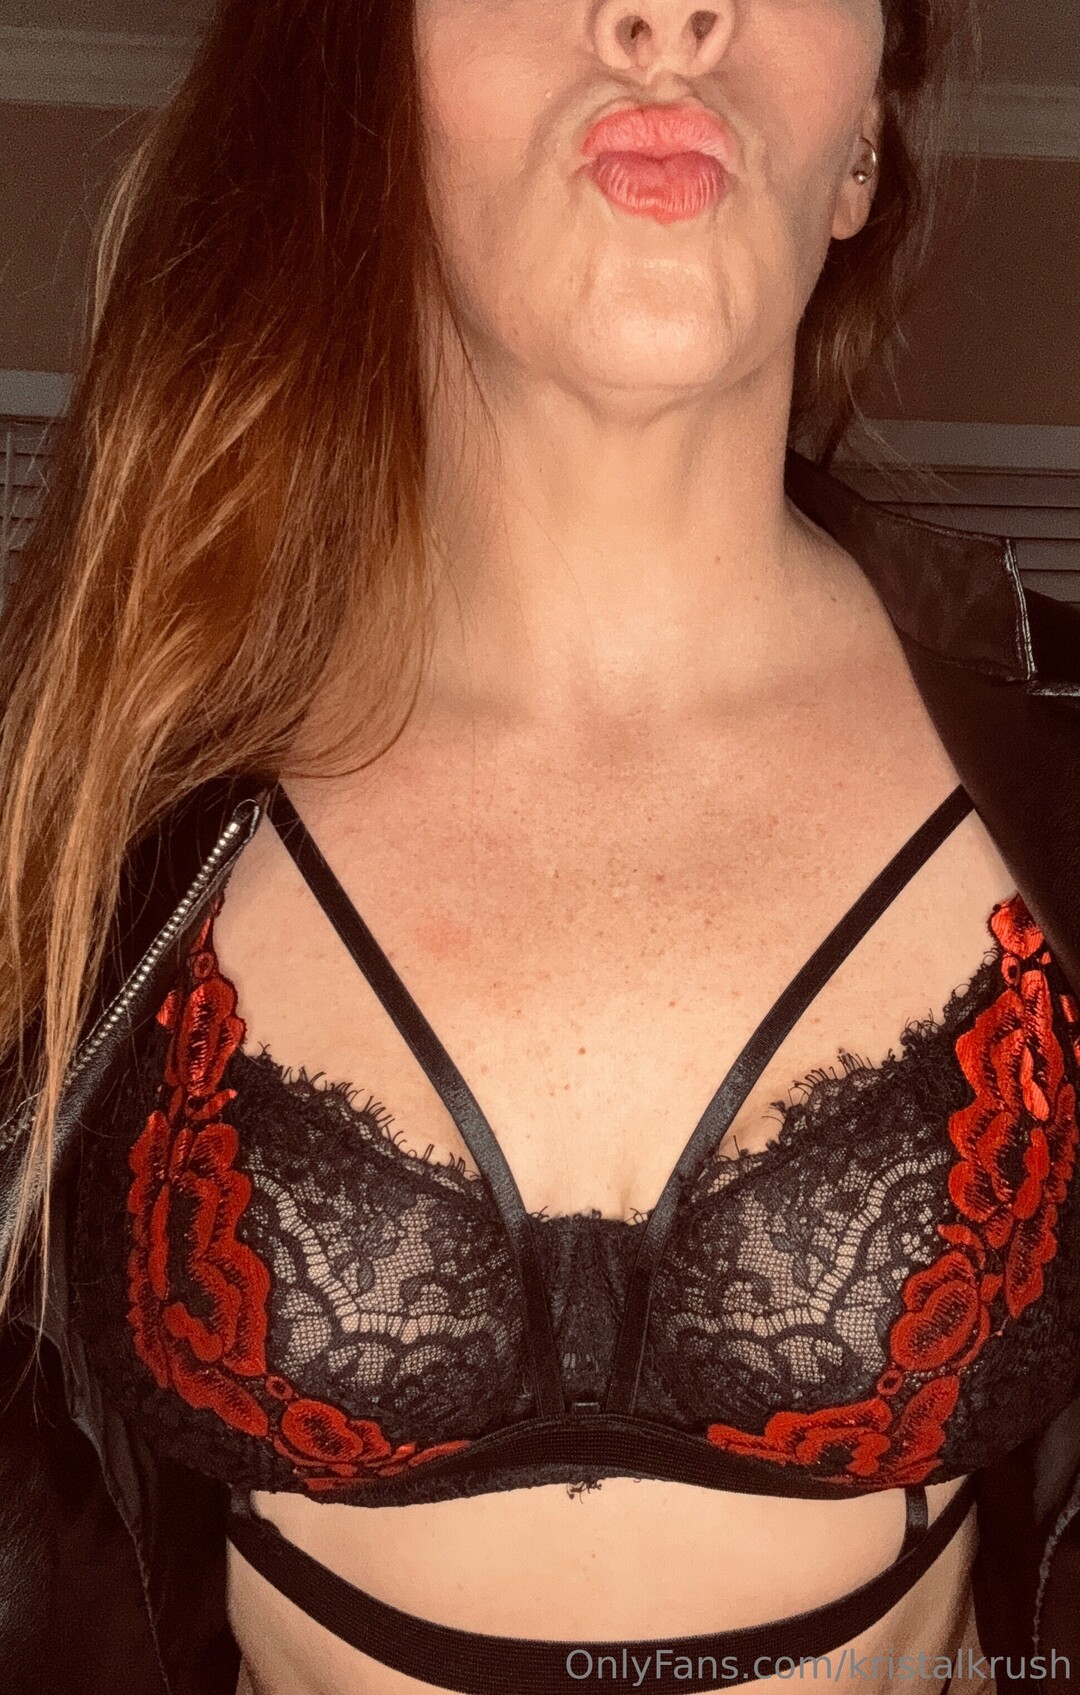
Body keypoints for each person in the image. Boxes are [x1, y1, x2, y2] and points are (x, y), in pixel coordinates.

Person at [2, 1, 1080, 1693]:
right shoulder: (71, 797)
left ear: (864, 142)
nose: (667, 14)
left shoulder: (1061, 766)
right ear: (372, 97)